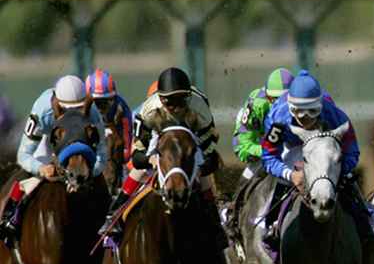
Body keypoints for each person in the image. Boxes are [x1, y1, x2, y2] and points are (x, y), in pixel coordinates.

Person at [98, 67, 226, 249]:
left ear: (188, 96)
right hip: (158, 130)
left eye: (180, 100)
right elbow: (138, 154)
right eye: (169, 102)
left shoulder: (200, 106)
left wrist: (200, 162)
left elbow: (209, 140)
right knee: (139, 169)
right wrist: (151, 160)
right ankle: (115, 213)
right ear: (161, 99)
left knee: (203, 169)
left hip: (190, 130)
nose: (175, 108)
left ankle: (214, 222)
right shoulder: (148, 111)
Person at [260, 69, 369, 246]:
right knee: (285, 177)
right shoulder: (277, 118)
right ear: (289, 107)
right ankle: (272, 226)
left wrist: (336, 172)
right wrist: (290, 175)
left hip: (324, 145)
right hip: (292, 147)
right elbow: (268, 157)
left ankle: (365, 226)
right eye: (298, 111)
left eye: (312, 111)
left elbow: (352, 153)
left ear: (320, 106)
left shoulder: (337, 116)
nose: (305, 118)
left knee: (347, 183)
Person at [0, 75, 107, 245]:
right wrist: (41, 169)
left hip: (80, 149)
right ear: (56, 105)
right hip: (48, 143)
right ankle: (10, 217)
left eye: (78, 110)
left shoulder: (92, 113)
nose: (73, 116)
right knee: (29, 177)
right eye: (67, 110)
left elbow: (103, 154)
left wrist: (90, 171)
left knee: (100, 185)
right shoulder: (43, 110)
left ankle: (108, 223)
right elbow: (24, 155)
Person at [224, 67, 293, 243]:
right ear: (268, 96)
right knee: (250, 176)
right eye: (275, 99)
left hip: (291, 148)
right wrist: (268, 151)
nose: (280, 104)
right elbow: (242, 147)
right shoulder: (257, 105)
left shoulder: (301, 100)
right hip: (262, 148)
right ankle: (234, 215)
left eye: (285, 99)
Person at [85, 68, 133, 163]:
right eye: (97, 102)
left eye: (107, 101)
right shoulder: (81, 109)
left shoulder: (121, 107)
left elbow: (126, 153)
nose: (102, 107)